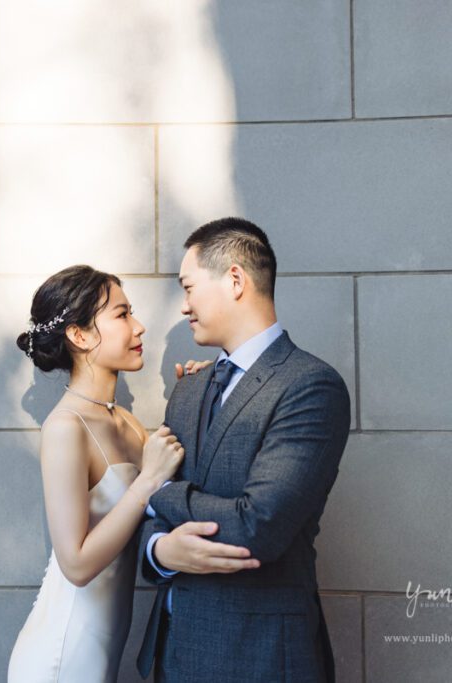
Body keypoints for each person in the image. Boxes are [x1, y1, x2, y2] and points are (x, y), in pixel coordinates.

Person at [137, 217, 352, 682]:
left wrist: (156, 488)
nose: (184, 307)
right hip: (172, 656)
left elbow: (259, 526)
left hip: (260, 660)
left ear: (235, 279)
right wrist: (159, 549)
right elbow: (152, 528)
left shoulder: (310, 386)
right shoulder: (189, 389)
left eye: (189, 288)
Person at [6, 264, 234, 683]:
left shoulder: (128, 423)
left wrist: (196, 399)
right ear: (80, 336)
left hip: (100, 659)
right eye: (122, 314)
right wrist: (146, 481)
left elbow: (172, 495)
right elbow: (75, 564)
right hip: (60, 656)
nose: (140, 327)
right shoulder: (65, 427)